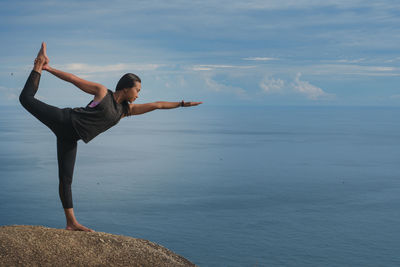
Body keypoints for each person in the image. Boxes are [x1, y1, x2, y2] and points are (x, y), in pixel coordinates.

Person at [19, 42, 202, 232]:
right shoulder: (102, 92)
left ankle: (71, 222)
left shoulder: (125, 111)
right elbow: (74, 79)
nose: (139, 95)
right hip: (65, 120)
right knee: (26, 99)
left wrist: (182, 104)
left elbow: (157, 105)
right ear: (126, 88)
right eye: (137, 90)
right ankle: (38, 65)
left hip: (71, 138)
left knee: (66, 179)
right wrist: (48, 68)